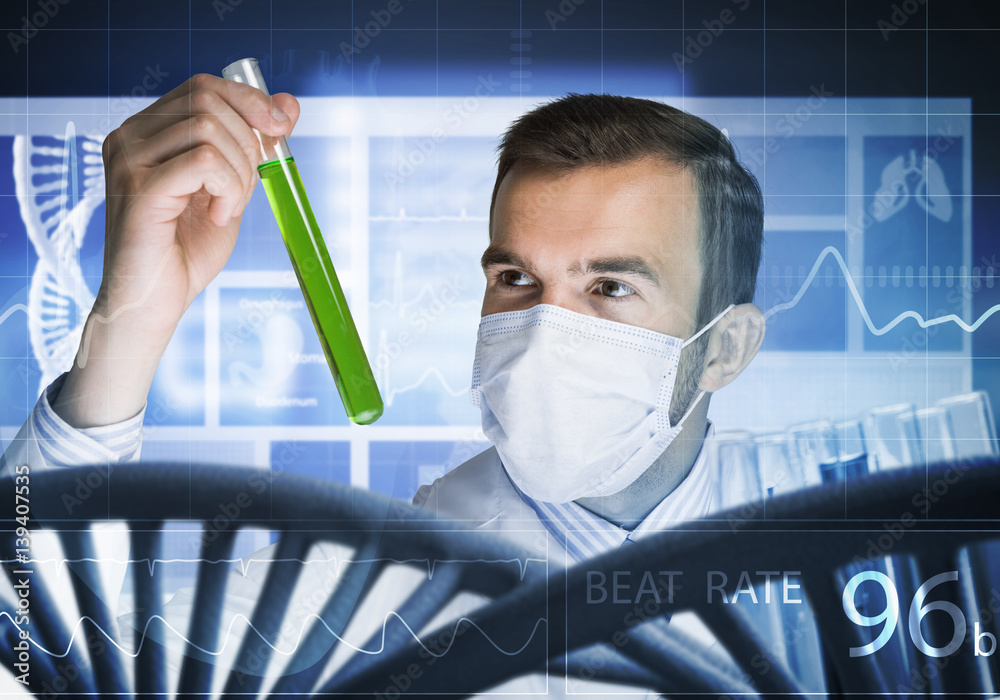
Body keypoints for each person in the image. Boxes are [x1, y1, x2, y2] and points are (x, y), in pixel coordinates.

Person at [0, 74, 765, 694]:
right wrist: (128, 325)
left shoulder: (839, 546)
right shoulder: (372, 579)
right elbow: (32, 660)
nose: (543, 334)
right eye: (515, 278)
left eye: (610, 288)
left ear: (725, 349)